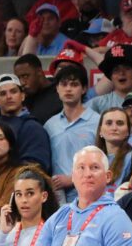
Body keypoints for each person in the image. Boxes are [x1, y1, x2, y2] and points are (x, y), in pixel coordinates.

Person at [38, 145, 132, 244]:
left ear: (108, 176)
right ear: (73, 176)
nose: (87, 174)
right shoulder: (60, 215)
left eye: (95, 167)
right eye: (81, 168)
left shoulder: (116, 218)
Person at [45, 64, 100, 204]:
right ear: (57, 89)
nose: (68, 89)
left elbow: (105, 160)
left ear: (84, 89)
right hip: (58, 198)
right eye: (63, 84)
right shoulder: (50, 125)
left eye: (74, 84)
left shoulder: (97, 121)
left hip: (91, 194)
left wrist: (73, 179)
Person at [0, 73, 52, 173]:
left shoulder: (33, 128)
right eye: (3, 94)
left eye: (13, 92)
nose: (9, 97)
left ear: (22, 96)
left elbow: (37, 166)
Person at [0, 166, 59, 246]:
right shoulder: (6, 233)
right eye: (19, 194)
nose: (24, 200)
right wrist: (2, 233)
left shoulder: (52, 234)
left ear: (44, 196)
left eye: (30, 193)